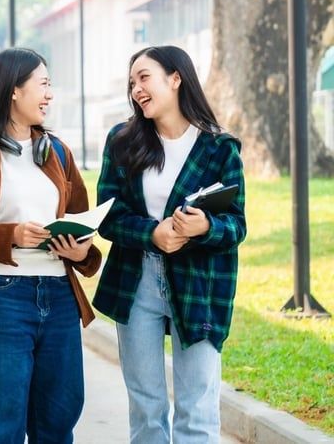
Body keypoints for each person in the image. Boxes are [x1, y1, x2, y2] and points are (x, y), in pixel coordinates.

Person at [0, 47, 102, 444]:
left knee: (59, 419)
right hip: (0, 298)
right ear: (13, 90)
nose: (49, 94)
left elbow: (81, 220)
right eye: (43, 84)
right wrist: (10, 236)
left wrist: (80, 252)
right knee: (2, 424)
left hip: (59, 295)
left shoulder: (58, 151)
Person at [93, 45, 246, 444]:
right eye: (132, 83)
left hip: (199, 284)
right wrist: (152, 233)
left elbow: (236, 226)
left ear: (175, 78)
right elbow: (107, 215)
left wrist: (205, 226)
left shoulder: (219, 147)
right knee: (146, 407)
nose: (136, 89)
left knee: (197, 406)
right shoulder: (122, 140)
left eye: (144, 77)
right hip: (137, 279)